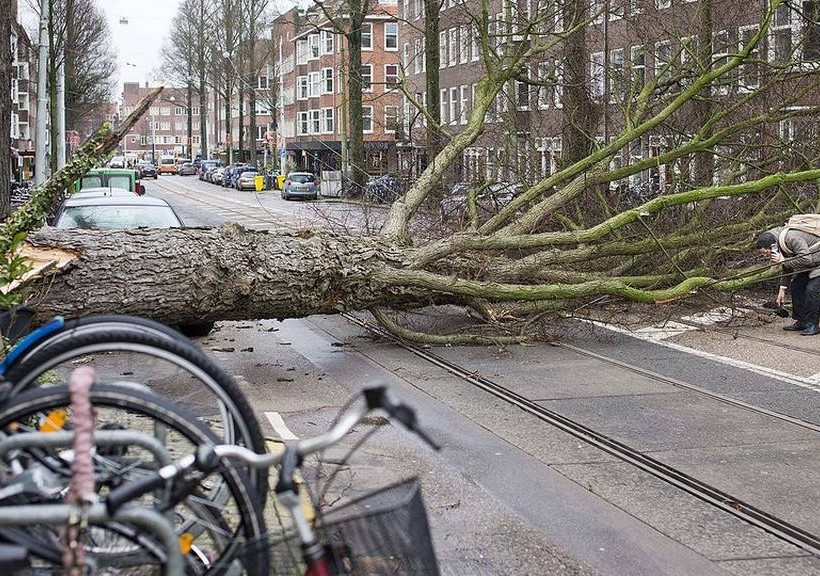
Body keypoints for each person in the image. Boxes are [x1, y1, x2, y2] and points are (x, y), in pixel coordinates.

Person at [756, 227, 820, 335]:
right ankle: (802, 321)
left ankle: (812, 324)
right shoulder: (780, 244)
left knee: (811, 290)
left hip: (815, 262)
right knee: (796, 286)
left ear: (772, 245)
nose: (766, 255)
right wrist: (783, 287)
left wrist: (784, 260)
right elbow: (787, 266)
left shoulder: (792, 239)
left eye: (766, 252)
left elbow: (806, 259)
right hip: (809, 264)